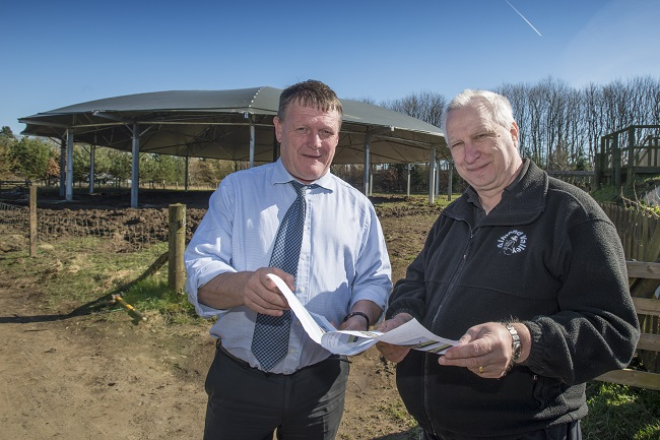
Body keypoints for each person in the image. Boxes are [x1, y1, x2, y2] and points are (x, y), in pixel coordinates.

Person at [376, 89, 640, 440]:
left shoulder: (571, 215)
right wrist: (405, 317)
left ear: (513, 133)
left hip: (527, 430)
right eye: (456, 144)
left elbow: (614, 331)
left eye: (482, 135)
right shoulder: (452, 216)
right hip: (434, 430)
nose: (469, 155)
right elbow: (415, 282)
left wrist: (521, 341)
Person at [185, 79, 392, 440]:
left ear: (338, 136)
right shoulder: (237, 191)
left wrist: (359, 316)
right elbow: (201, 267)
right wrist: (243, 286)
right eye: (302, 129)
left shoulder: (358, 208)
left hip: (321, 384)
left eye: (326, 131)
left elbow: (375, 277)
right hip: (240, 384)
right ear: (279, 129)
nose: (315, 143)